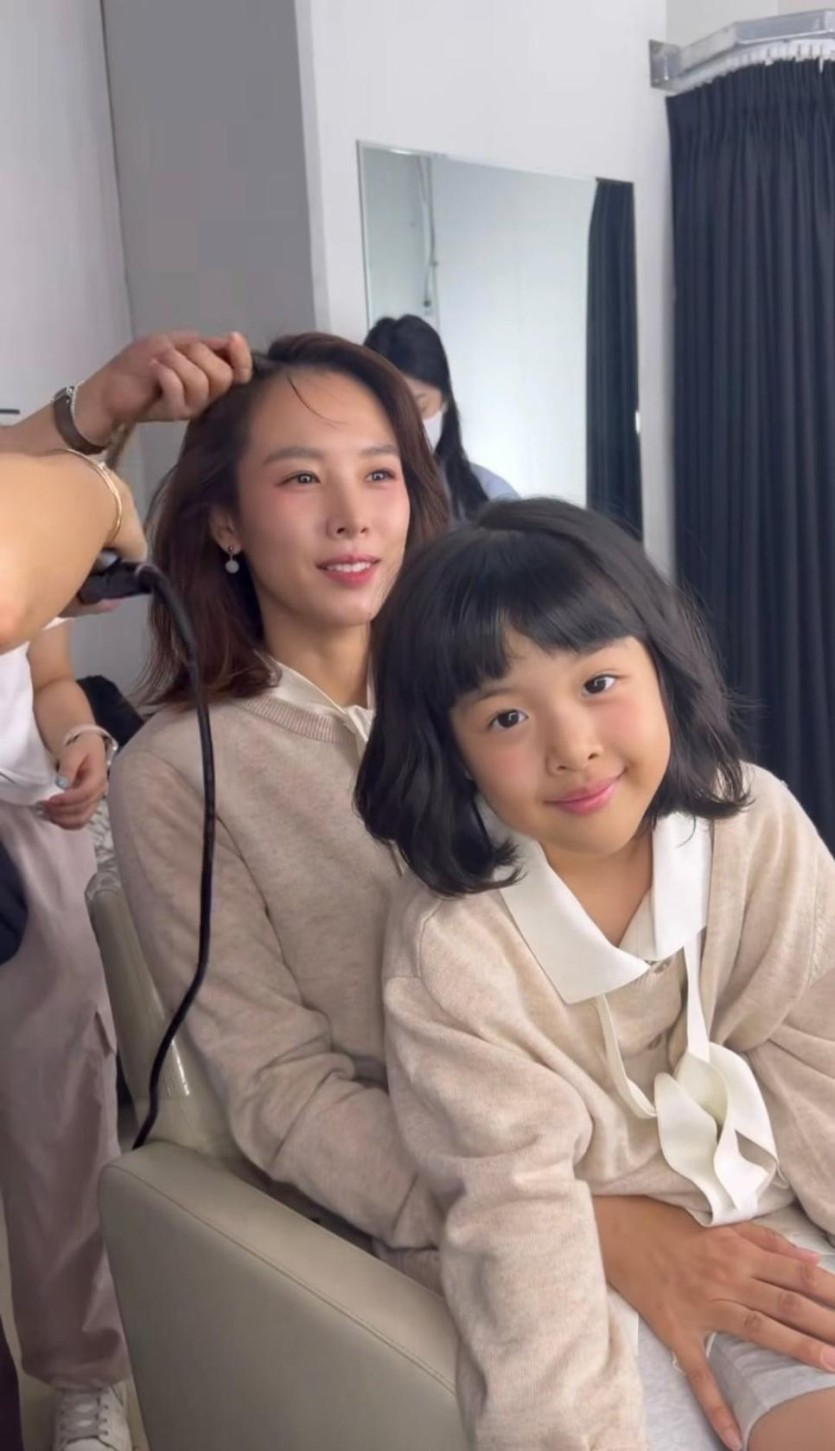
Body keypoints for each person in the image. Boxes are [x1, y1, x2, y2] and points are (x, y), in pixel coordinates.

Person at [111, 341, 835, 1451]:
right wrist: (598, 1221)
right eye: (301, 477)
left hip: (680, 1165)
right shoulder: (182, 771)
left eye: (380, 471)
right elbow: (280, 1088)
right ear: (224, 521)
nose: (352, 515)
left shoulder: (522, 683)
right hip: (468, 1200)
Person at [355, 496, 835, 1451]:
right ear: (450, 751)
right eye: (506, 715)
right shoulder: (455, 951)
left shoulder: (758, 829)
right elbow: (517, 1224)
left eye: (599, 681)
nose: (571, 746)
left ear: (662, 665)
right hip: (581, 1264)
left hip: (769, 1214)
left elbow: (823, 1066)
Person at [0, 329, 250, 1451]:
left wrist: (78, 740)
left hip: (25, 822)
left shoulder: (23, 467)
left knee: (62, 1112)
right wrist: (94, 464)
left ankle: (84, 1372)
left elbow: (47, 669)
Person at [364, 314, 517, 521]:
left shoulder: (491, 497)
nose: (406, 428)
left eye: (420, 408)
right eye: (388, 413)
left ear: (445, 398)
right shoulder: (354, 503)